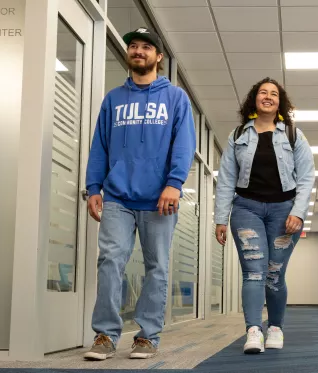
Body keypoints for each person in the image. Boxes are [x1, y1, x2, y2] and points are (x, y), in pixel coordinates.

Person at [83, 27, 196, 360]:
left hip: (159, 198)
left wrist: (174, 184)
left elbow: (184, 144)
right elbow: (99, 146)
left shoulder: (175, 98)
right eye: (133, 46)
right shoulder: (114, 99)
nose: (138, 51)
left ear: (158, 57)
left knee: (156, 267)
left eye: (146, 47)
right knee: (110, 261)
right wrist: (94, 187)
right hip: (118, 196)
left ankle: (147, 337)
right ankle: (105, 334)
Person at [214, 77, 315, 354]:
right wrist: (221, 219)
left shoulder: (294, 134)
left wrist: (298, 212)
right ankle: (253, 330)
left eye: (273, 93)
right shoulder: (237, 136)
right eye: (262, 93)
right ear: (254, 99)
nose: (267, 97)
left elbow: (306, 178)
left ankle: (275, 328)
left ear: (280, 102)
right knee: (254, 272)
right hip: (247, 209)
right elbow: (225, 180)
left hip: (284, 211)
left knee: (274, 274)